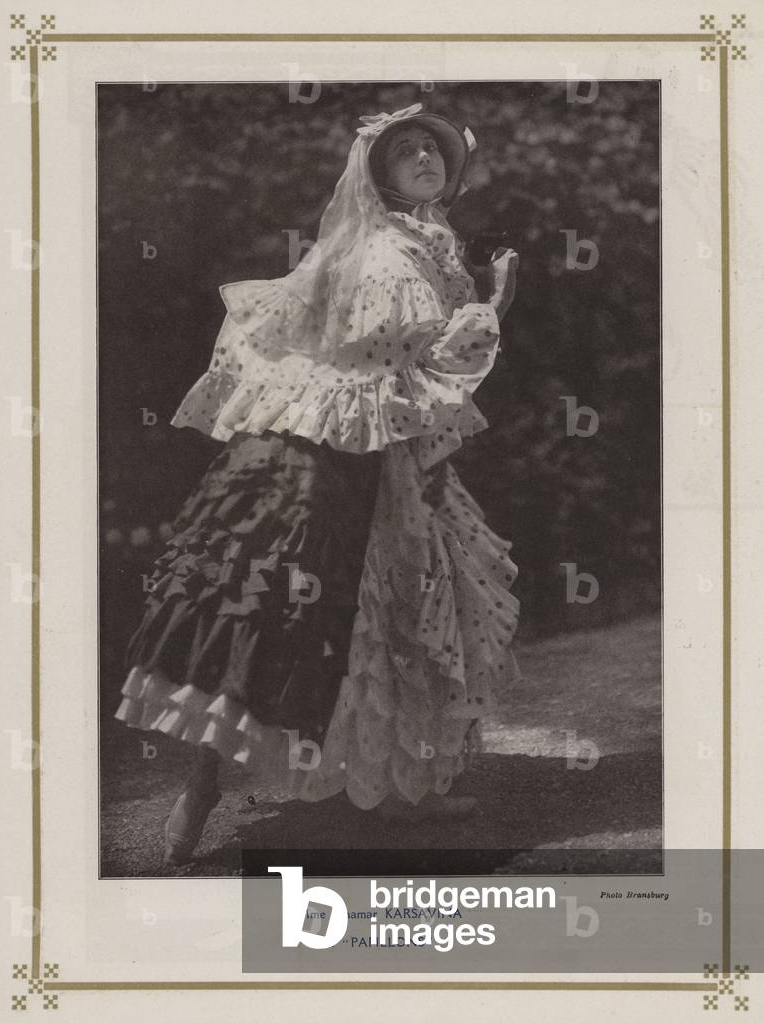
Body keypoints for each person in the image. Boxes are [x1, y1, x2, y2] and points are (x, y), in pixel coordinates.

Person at [114, 102, 521, 867]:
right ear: (381, 174)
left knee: (407, 603)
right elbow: (397, 353)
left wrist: (474, 307)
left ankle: (403, 787)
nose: (423, 160)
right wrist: (491, 308)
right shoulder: (380, 251)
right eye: (405, 152)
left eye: (431, 152)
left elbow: (419, 360)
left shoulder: (423, 241)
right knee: (276, 605)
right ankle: (199, 789)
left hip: (391, 444)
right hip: (339, 452)